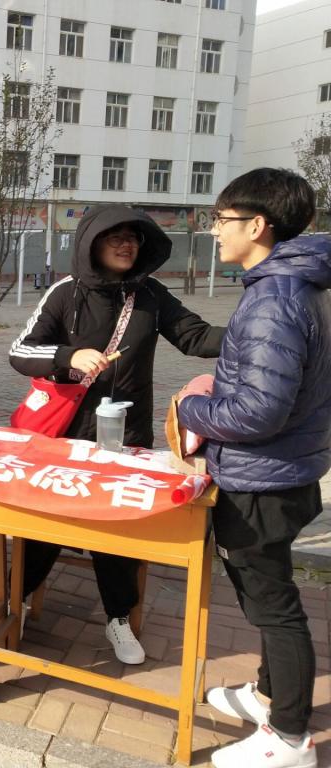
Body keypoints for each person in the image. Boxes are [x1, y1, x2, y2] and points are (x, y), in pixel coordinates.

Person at [8, 205, 223, 665]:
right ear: (93, 243)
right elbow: (20, 351)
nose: (127, 245)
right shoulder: (65, 293)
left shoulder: (150, 295)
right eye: (115, 237)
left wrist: (259, 333)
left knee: (118, 528)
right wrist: (68, 356)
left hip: (125, 435)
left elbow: (196, 336)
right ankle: (18, 599)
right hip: (64, 436)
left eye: (133, 238)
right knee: (44, 524)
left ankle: (118, 618)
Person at [177, 169, 329, 768]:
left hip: (263, 479)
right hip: (280, 470)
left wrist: (190, 407)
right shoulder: (292, 286)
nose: (215, 231)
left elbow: (259, 411)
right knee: (271, 596)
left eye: (222, 220)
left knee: (275, 607)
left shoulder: (275, 300)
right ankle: (267, 694)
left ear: (257, 225)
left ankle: (289, 737)